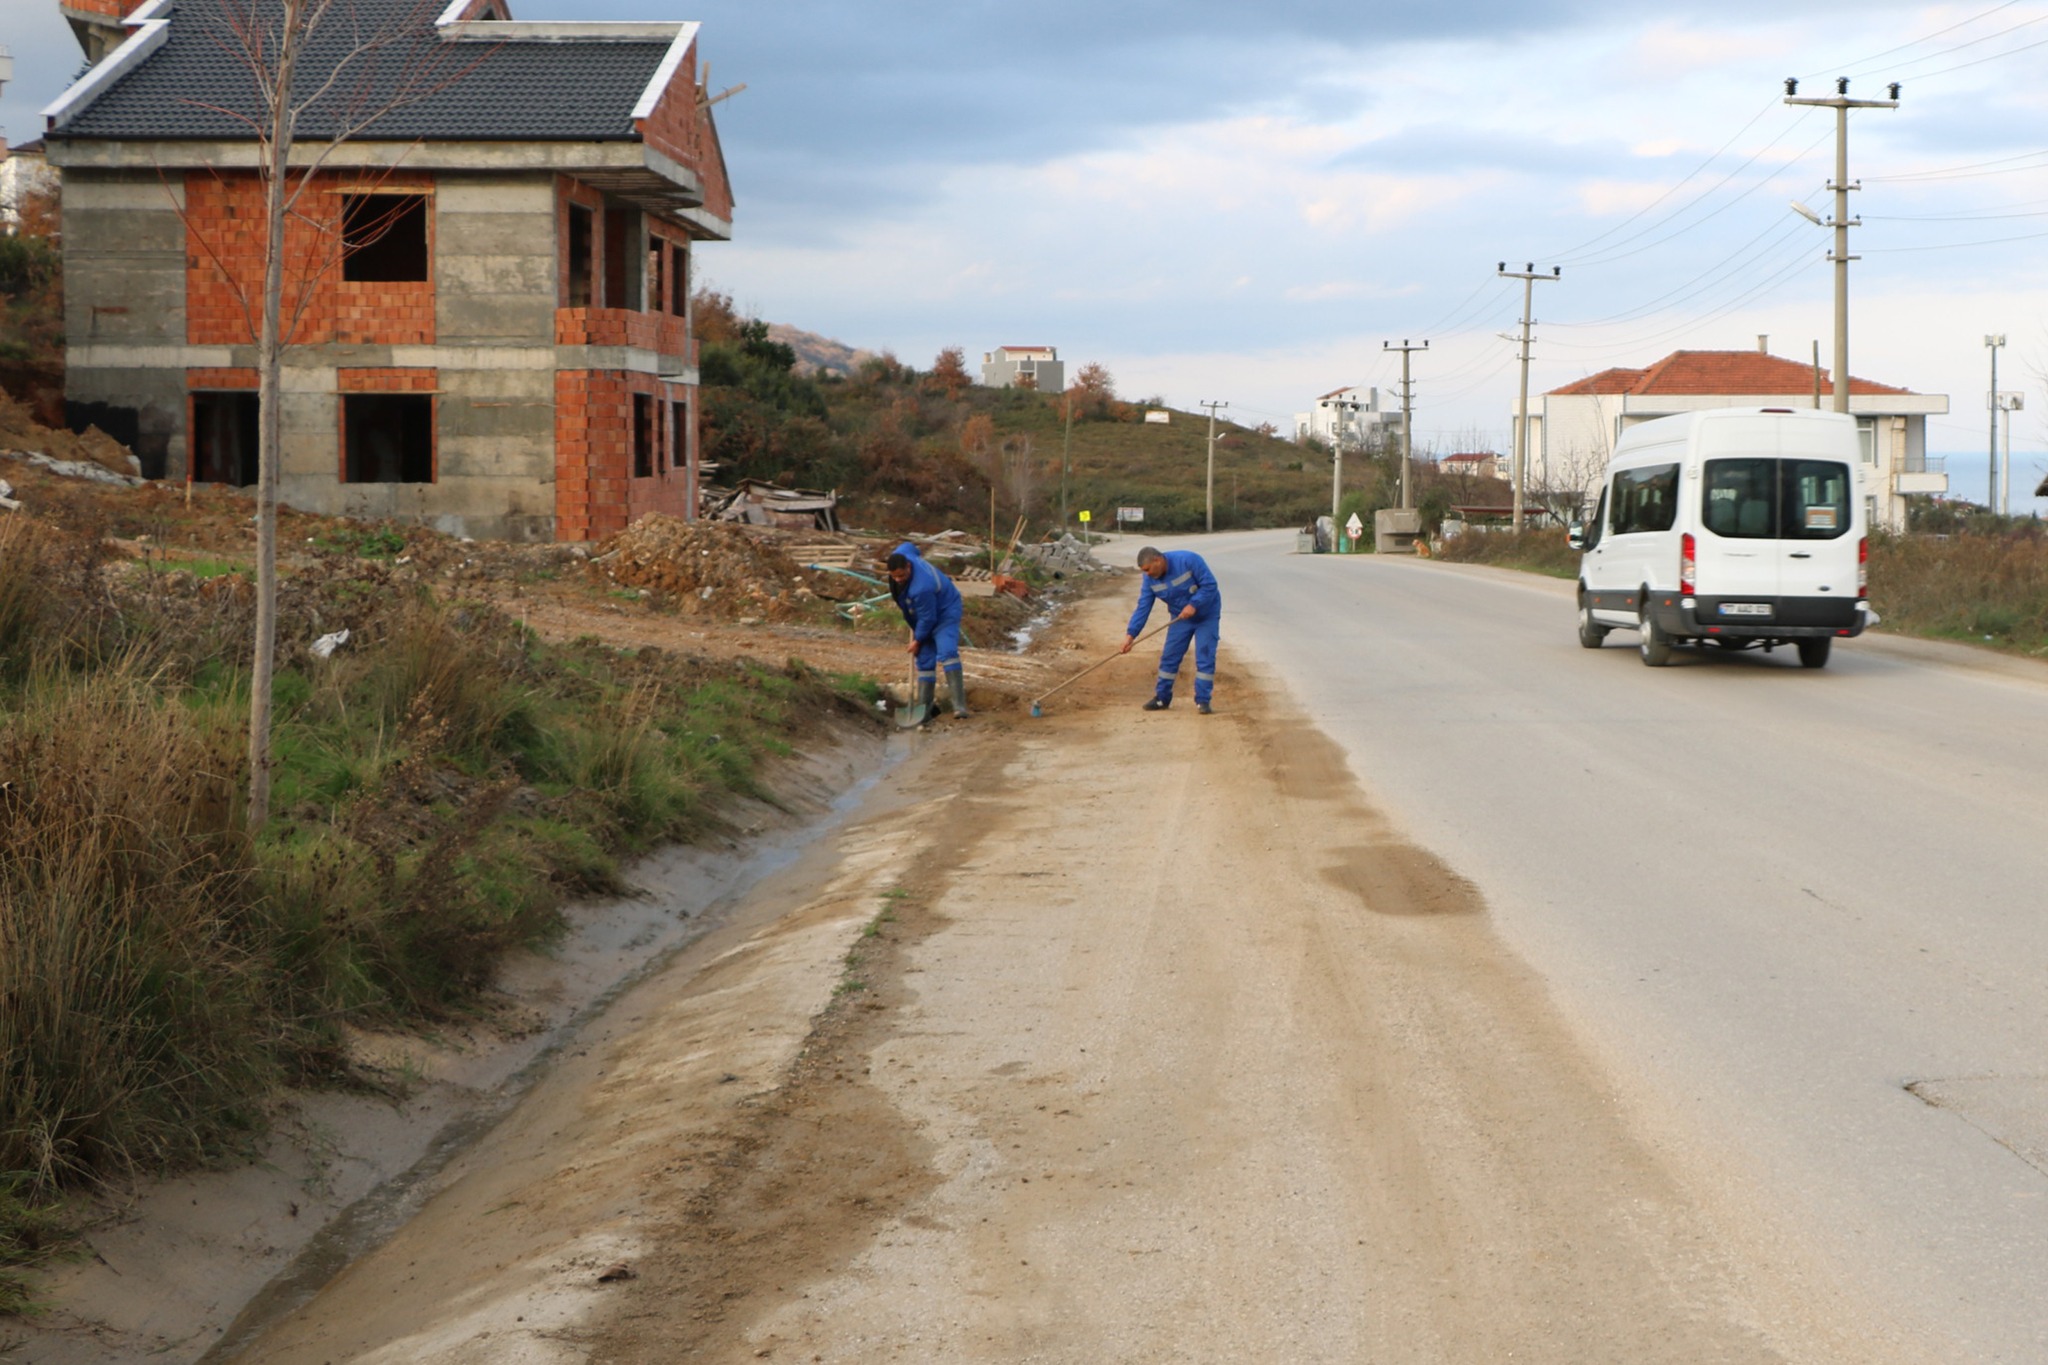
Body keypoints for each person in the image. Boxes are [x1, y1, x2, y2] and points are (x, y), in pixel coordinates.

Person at [1121, 545, 1220, 713]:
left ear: (1157, 560)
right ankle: (1162, 698)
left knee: (1204, 657)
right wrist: (1131, 635)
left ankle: (1203, 701)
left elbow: (1210, 585)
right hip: (1179, 619)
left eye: (1148, 569)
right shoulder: (1149, 580)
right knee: (1169, 657)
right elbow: (1143, 607)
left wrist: (1194, 604)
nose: (1147, 574)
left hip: (1206, 615)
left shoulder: (1188, 560)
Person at [887, 542, 968, 720]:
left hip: (945, 610)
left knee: (946, 651)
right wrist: (919, 639)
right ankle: (924, 710)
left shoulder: (921, 587)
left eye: (901, 575)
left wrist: (917, 640)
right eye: (894, 576)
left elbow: (928, 619)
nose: (898, 579)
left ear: (908, 567)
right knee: (924, 659)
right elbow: (909, 546)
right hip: (924, 613)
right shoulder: (902, 554)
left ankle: (959, 707)